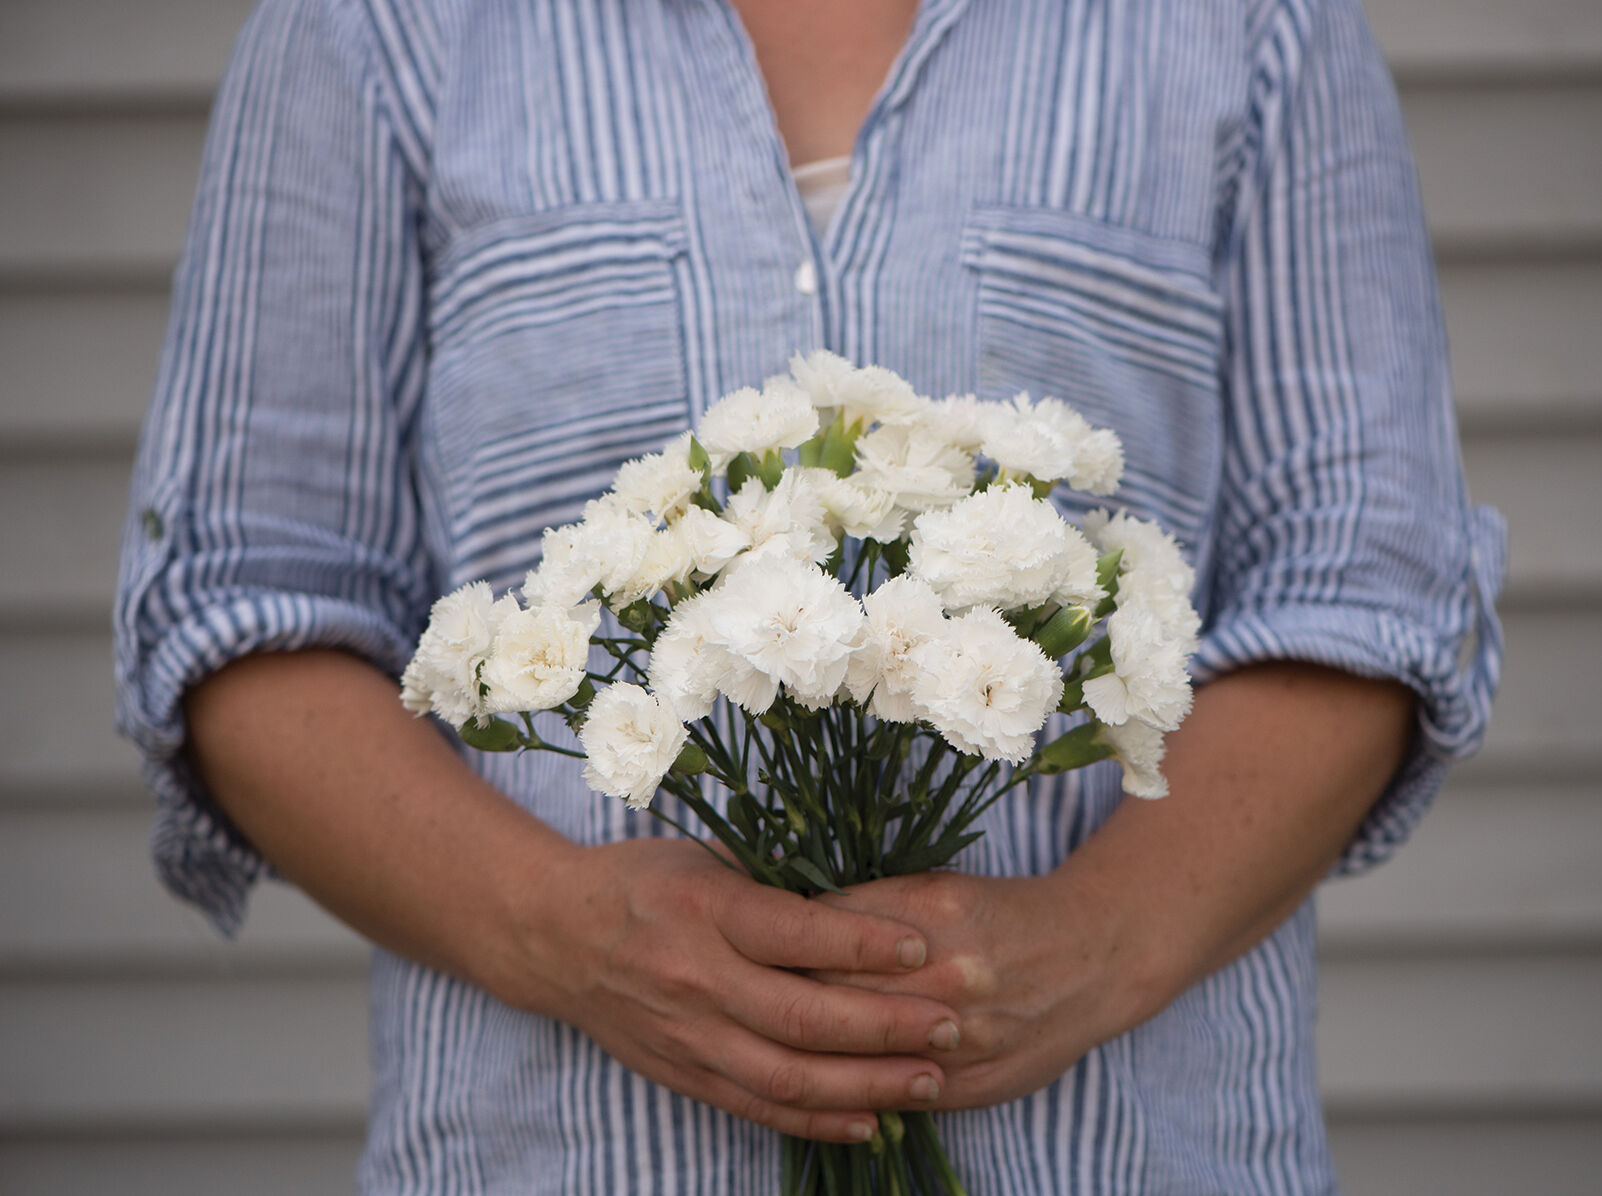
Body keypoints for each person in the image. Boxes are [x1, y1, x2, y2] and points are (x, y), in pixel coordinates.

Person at [113, 0, 1504, 1191]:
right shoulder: (376, 29)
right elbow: (244, 598)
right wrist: (564, 929)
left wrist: (1097, 942)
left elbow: (1367, 589)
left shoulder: (1249, 26)